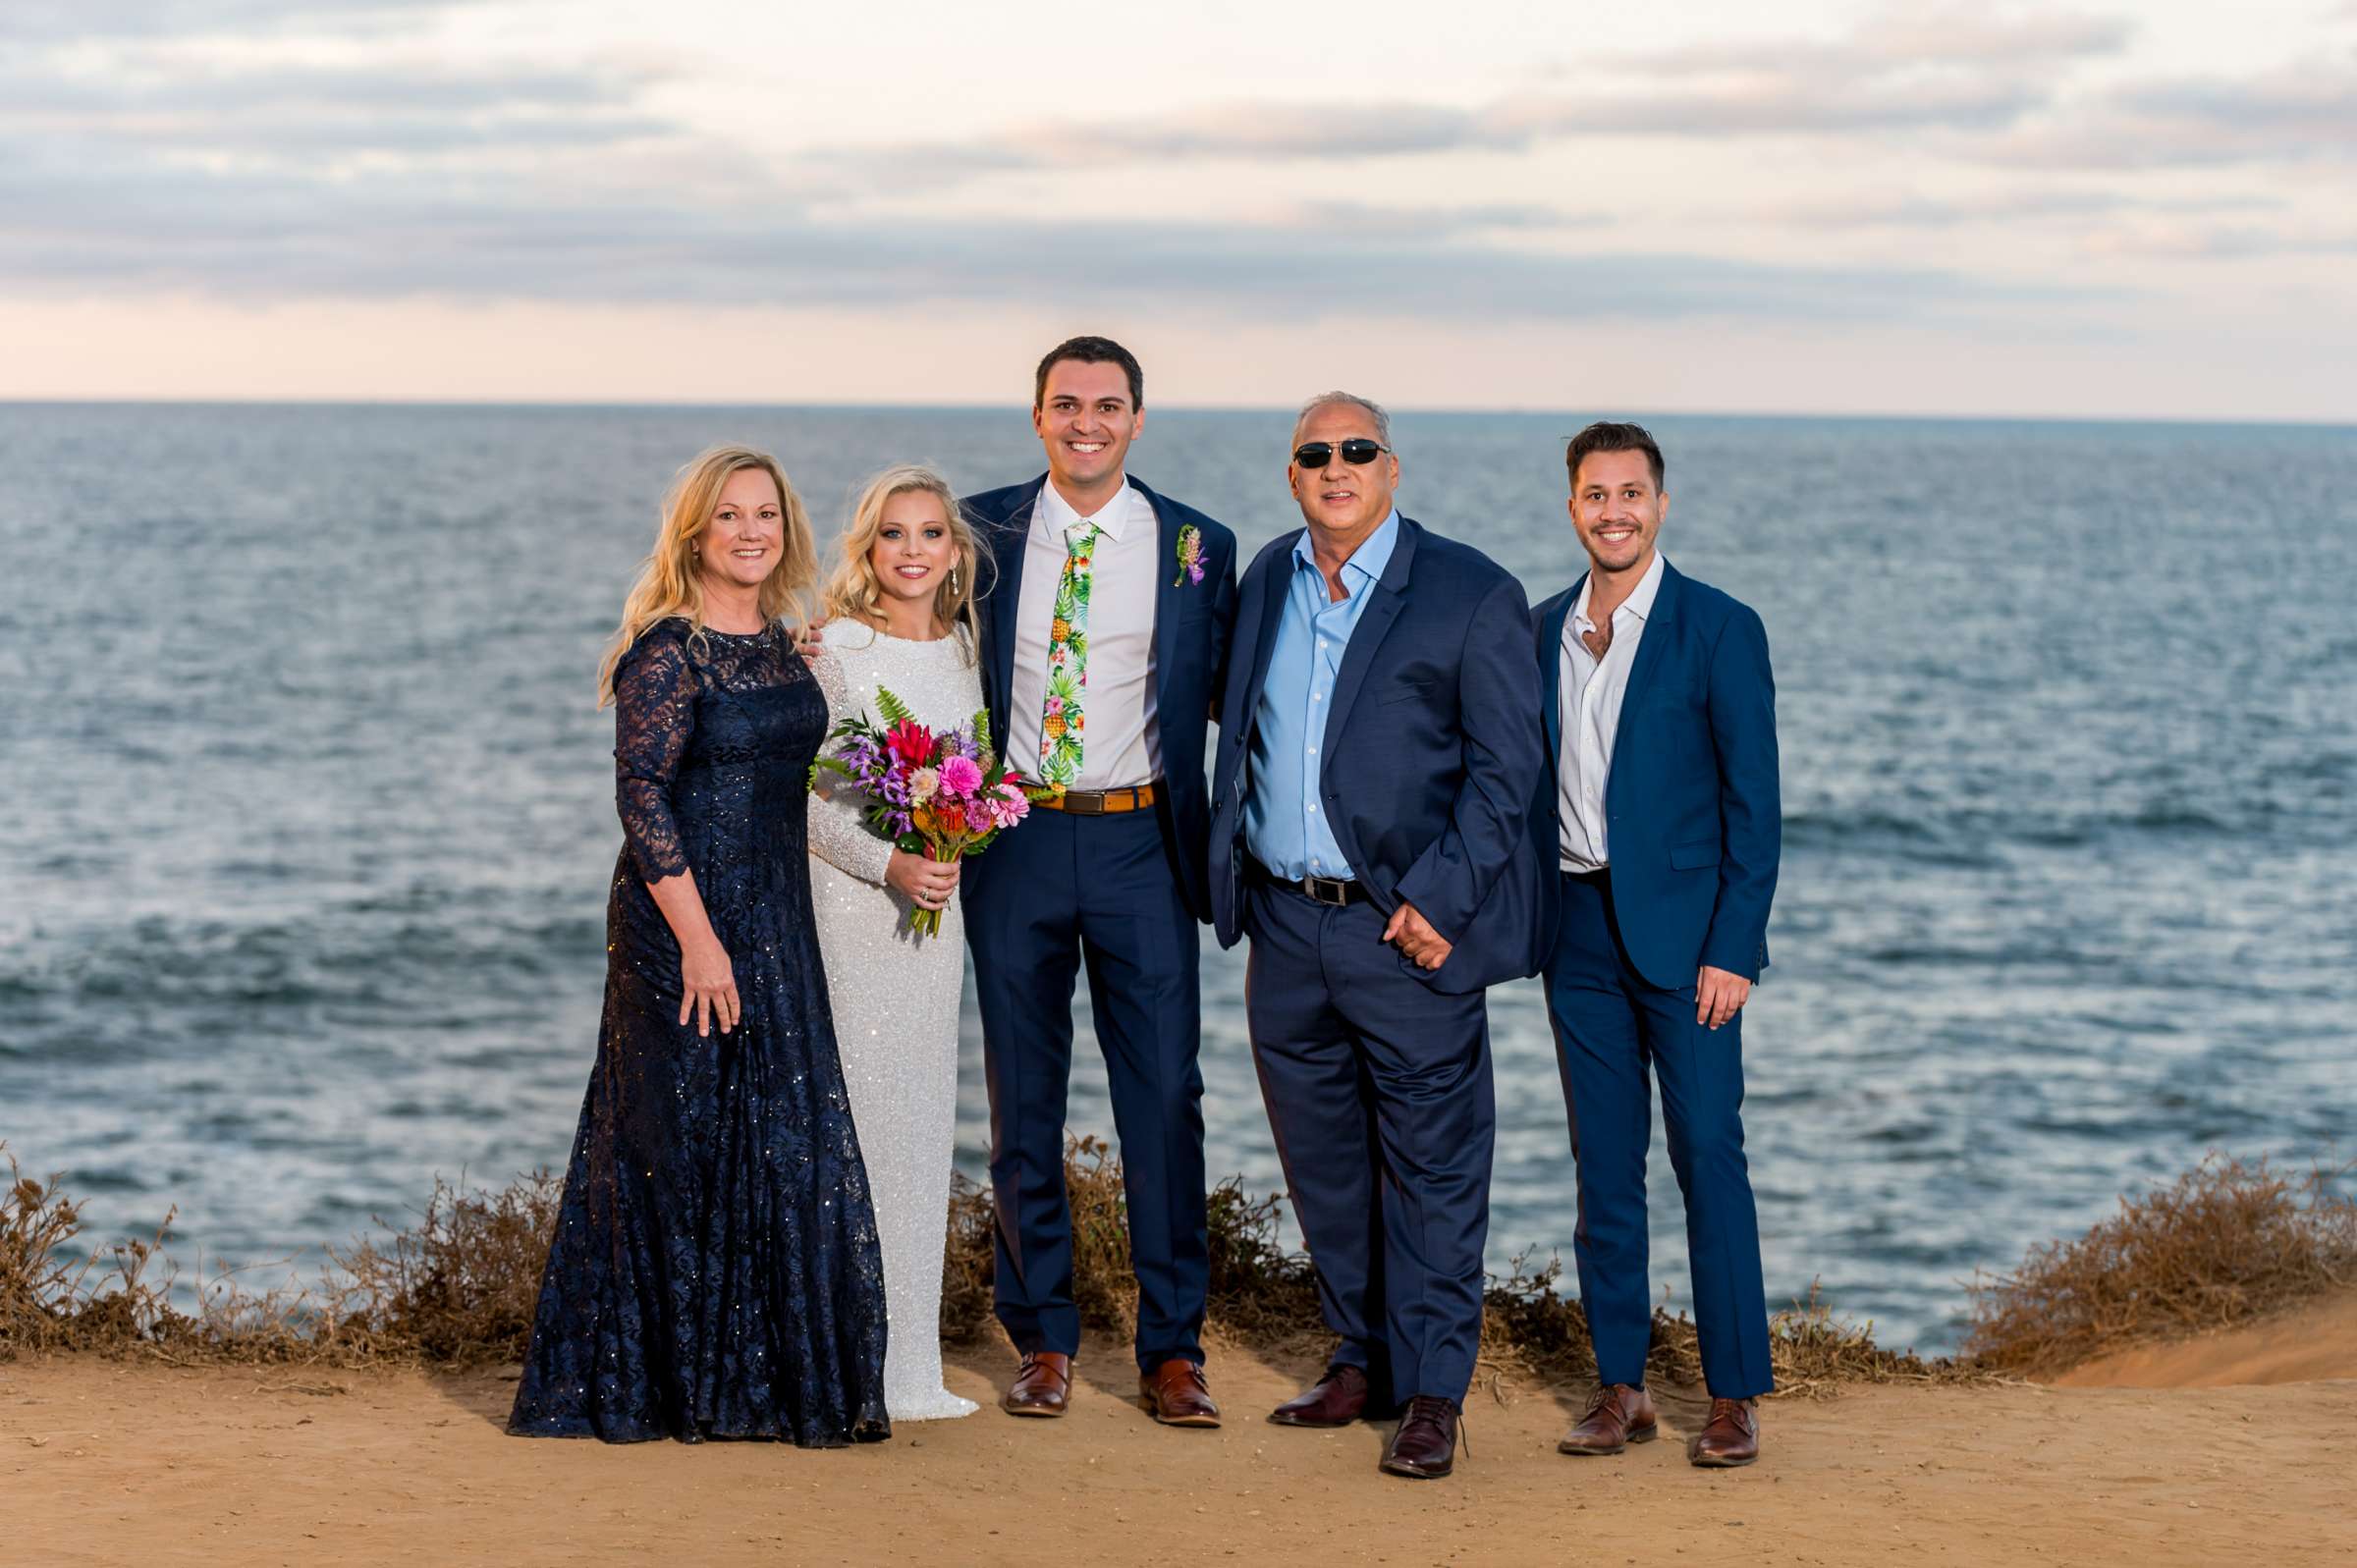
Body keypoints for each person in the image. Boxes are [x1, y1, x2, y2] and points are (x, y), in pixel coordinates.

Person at [509, 446, 890, 1446]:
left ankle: (754, 1384)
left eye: (766, 514)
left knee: (780, 1141)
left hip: (776, 914)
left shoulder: (787, 647)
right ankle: (662, 1388)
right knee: (673, 1145)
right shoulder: (665, 651)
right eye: (731, 516)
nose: (752, 531)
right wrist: (702, 945)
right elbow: (641, 798)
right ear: (696, 533)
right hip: (681, 920)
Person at [1208, 392, 1547, 1481]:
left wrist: (1443, 899)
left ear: (1392, 469)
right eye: (1316, 454)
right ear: (1294, 474)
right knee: (1326, 1166)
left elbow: (1509, 772)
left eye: (1358, 450)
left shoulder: (1469, 591)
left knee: (1436, 1169)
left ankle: (1435, 1393)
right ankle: (1363, 1358)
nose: (1336, 466)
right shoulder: (1267, 577)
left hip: (1407, 937)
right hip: (1285, 927)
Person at [959, 335, 1239, 1427]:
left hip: (1140, 842)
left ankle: (1174, 1349)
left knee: (1164, 1098)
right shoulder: (980, 529)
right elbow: (903, 617)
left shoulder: (1195, 546)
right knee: (1022, 1099)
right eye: (1067, 403)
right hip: (1017, 836)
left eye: (1108, 404)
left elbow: (1242, 687)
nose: (1088, 421)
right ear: (1038, 416)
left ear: (1137, 419)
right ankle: (1040, 1336)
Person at [1535, 420, 1780, 1469]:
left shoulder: (1719, 628)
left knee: (1708, 1154)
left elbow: (1754, 807)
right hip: (1574, 927)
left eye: (1631, 492)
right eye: (1596, 494)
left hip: (1690, 947)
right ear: (1574, 505)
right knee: (1604, 1165)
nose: (1615, 510)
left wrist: (1737, 946)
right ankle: (1621, 1386)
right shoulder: (1540, 626)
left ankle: (1731, 1394)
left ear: (1661, 504)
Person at [805, 463, 989, 1423]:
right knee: (858, 1127)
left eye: (930, 534)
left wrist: (960, 833)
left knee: (921, 1128)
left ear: (954, 553)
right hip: (856, 913)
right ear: (866, 547)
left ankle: (910, 1367)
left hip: (937, 917)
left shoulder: (963, 649)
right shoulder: (835, 645)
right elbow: (803, 799)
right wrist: (892, 867)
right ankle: (846, 1363)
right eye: (893, 534)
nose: (912, 551)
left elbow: (973, 776)